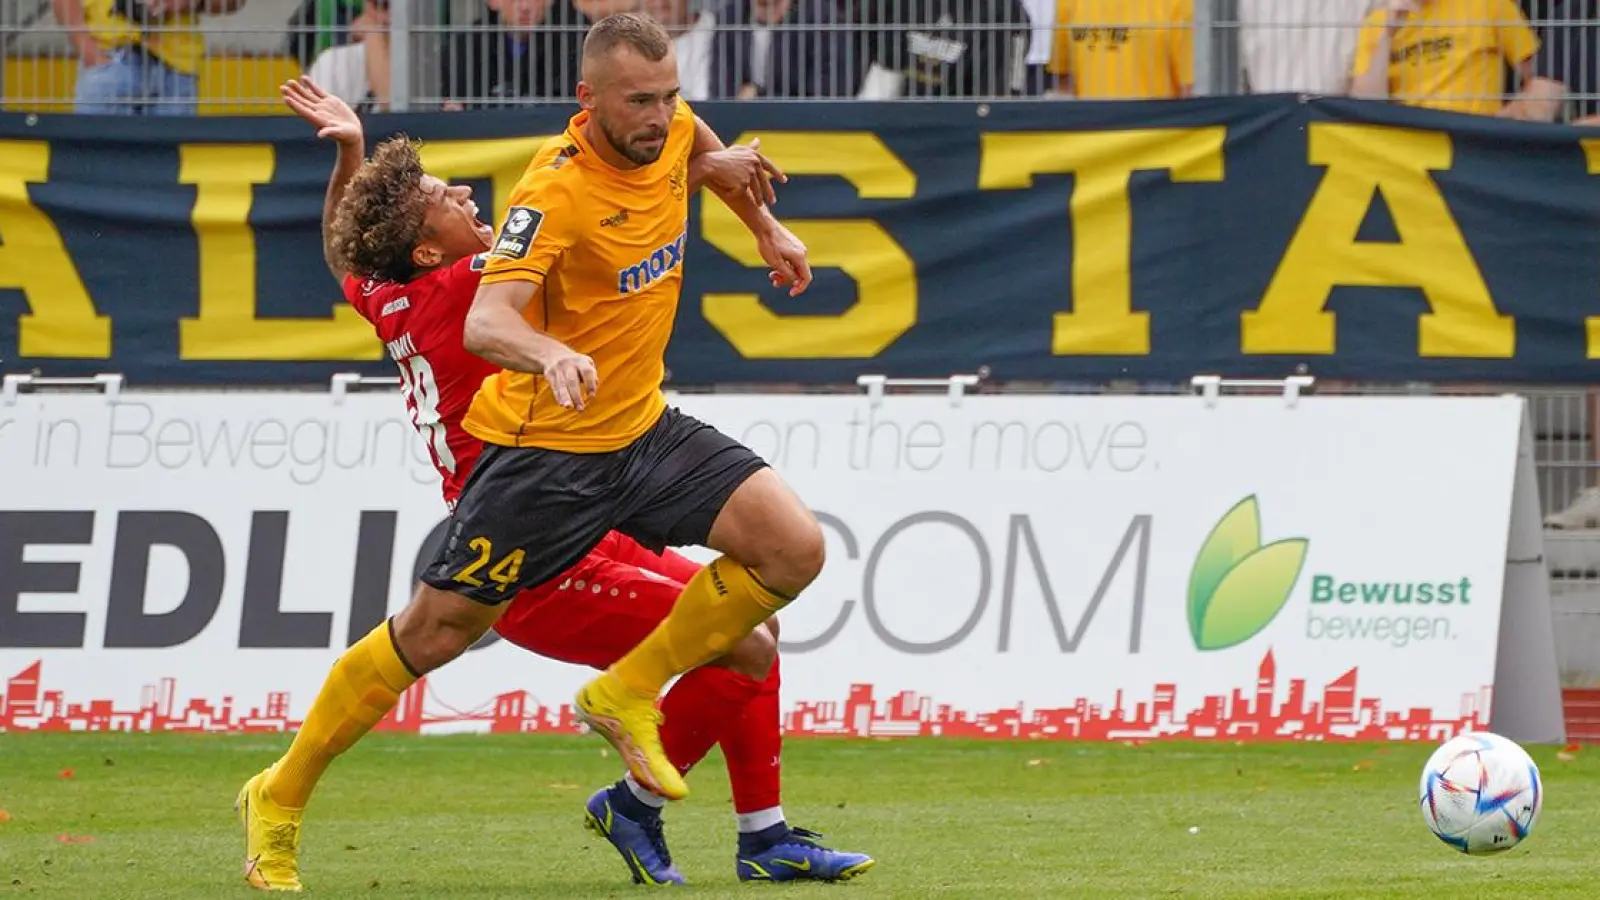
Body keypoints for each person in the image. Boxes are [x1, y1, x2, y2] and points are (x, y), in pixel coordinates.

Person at [236, 19, 831, 884]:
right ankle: (281, 795)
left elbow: (344, 253)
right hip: (526, 497)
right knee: (432, 633)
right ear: (429, 249)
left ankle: (741, 829)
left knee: (753, 624)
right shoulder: (471, 279)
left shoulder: (390, 290)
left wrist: (352, 153)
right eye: (444, 199)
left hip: (603, 461)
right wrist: (701, 174)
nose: (464, 196)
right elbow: (571, 235)